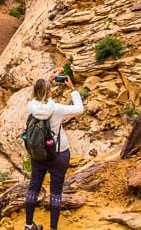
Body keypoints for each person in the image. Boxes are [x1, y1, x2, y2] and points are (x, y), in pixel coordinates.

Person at [24, 75, 84, 230]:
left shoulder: (31, 106)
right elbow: (80, 109)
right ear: (49, 92)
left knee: (33, 187)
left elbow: (38, 97)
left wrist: (46, 85)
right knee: (56, 192)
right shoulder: (57, 109)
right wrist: (72, 89)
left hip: (38, 154)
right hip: (58, 153)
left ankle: (29, 225)